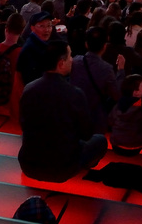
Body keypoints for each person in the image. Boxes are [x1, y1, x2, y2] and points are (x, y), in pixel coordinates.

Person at [18, 38, 107, 182]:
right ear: (61, 63)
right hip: (62, 167)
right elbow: (86, 134)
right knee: (100, 140)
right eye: (70, 56)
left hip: (29, 164)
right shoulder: (74, 94)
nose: (72, 60)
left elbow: (23, 124)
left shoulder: (29, 89)